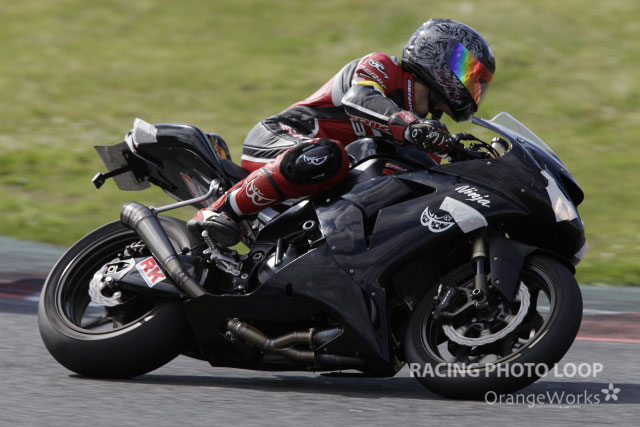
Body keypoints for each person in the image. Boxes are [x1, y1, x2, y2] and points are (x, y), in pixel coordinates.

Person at [188, 18, 495, 246]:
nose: (471, 84)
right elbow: (359, 99)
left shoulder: (427, 136)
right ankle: (221, 211)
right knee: (328, 154)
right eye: (465, 67)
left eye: (478, 81)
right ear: (434, 51)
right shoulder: (384, 67)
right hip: (282, 140)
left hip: (324, 181)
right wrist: (412, 127)